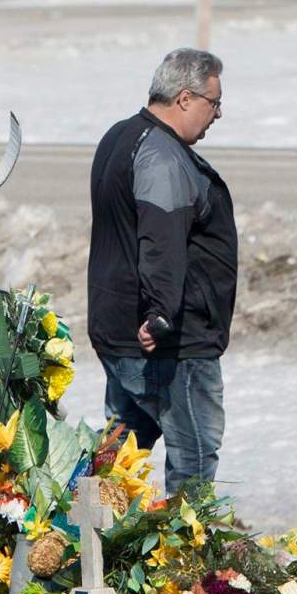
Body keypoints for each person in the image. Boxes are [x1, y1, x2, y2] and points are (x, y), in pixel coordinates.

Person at [87, 48, 236, 499]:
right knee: (192, 455)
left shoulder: (121, 135)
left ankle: (81, 540)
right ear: (186, 98)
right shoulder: (163, 158)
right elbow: (161, 243)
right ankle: (187, 560)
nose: (218, 115)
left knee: (120, 454)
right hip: (170, 344)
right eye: (215, 102)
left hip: (119, 330)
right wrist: (161, 315)